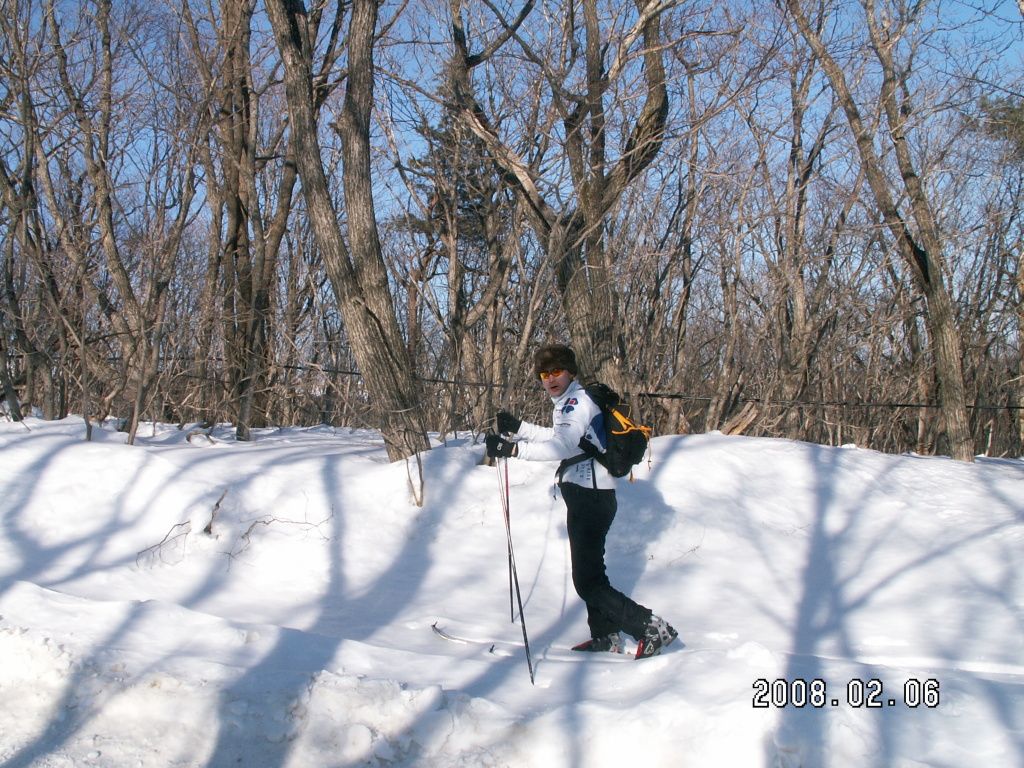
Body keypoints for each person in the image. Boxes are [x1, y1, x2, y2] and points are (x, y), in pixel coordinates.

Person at [485, 344, 678, 659]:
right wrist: (520, 429)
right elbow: (563, 437)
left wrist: (513, 450)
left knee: (586, 582)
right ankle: (605, 636)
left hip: (591, 496)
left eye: (556, 371)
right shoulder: (568, 403)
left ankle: (650, 626)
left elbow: (561, 446)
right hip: (586, 494)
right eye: (544, 374)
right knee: (593, 574)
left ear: (570, 371)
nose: (550, 379)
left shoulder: (577, 402)